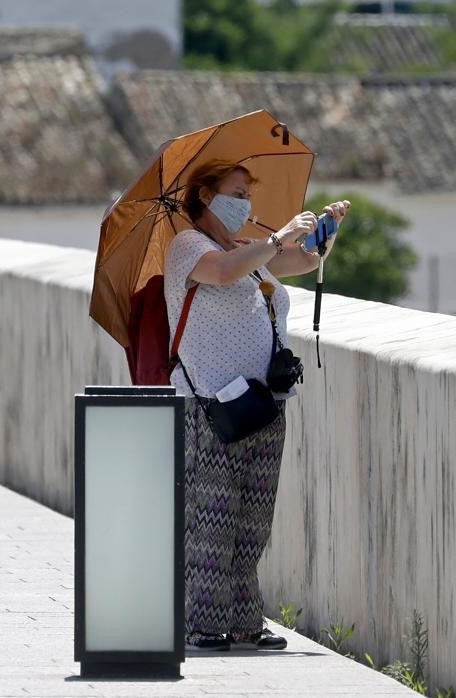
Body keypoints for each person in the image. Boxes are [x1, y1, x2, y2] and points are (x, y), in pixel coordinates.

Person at [164, 159, 350, 652]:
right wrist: (279, 235)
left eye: (248, 194)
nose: (245, 203)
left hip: (263, 402)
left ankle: (246, 619)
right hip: (213, 404)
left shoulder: (246, 249)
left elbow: (303, 262)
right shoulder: (189, 248)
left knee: (252, 520)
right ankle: (202, 622)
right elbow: (223, 275)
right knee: (213, 515)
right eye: (237, 192)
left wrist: (324, 232)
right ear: (205, 196)